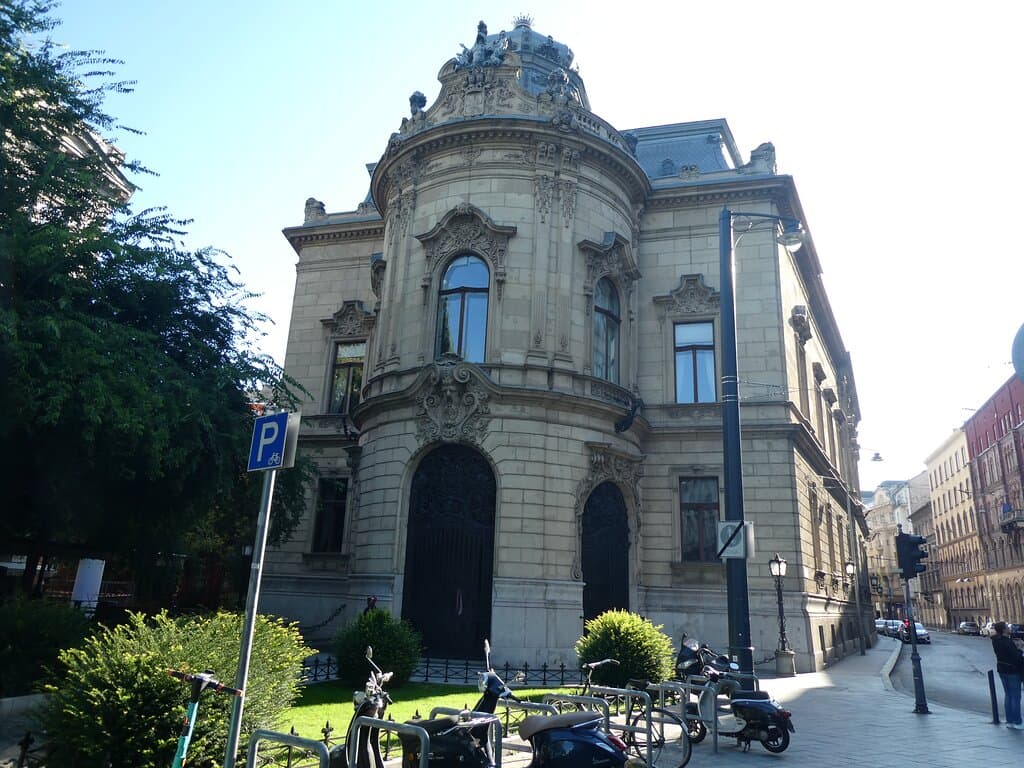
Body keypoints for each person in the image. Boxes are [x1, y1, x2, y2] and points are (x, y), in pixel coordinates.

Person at [992, 621, 1024, 729]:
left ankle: (1009, 721)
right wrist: (1019, 648)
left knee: (1008, 695)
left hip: (1002, 670)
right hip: (1012, 671)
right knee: (1015, 696)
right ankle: (1017, 721)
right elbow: (1016, 658)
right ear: (1004, 630)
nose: (1009, 628)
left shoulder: (996, 640)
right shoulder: (1007, 642)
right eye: (1007, 627)